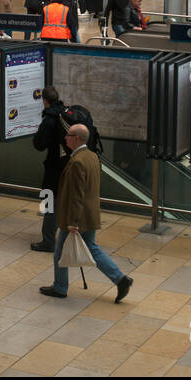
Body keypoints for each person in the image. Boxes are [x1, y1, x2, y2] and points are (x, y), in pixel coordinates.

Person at [39, 123, 134, 303]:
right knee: (92, 247)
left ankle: (60, 287)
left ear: (76, 138)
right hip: (90, 214)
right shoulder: (91, 156)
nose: (65, 138)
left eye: (68, 135)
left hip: (77, 217)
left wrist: (73, 221)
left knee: (59, 251)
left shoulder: (77, 162)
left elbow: (76, 194)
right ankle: (121, 279)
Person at [30, 86, 70, 251]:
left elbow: (39, 144)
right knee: (66, 201)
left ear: (44, 101)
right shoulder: (66, 113)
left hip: (53, 166)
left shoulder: (49, 119)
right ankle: (67, 237)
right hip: (68, 164)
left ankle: (48, 241)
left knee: (49, 202)